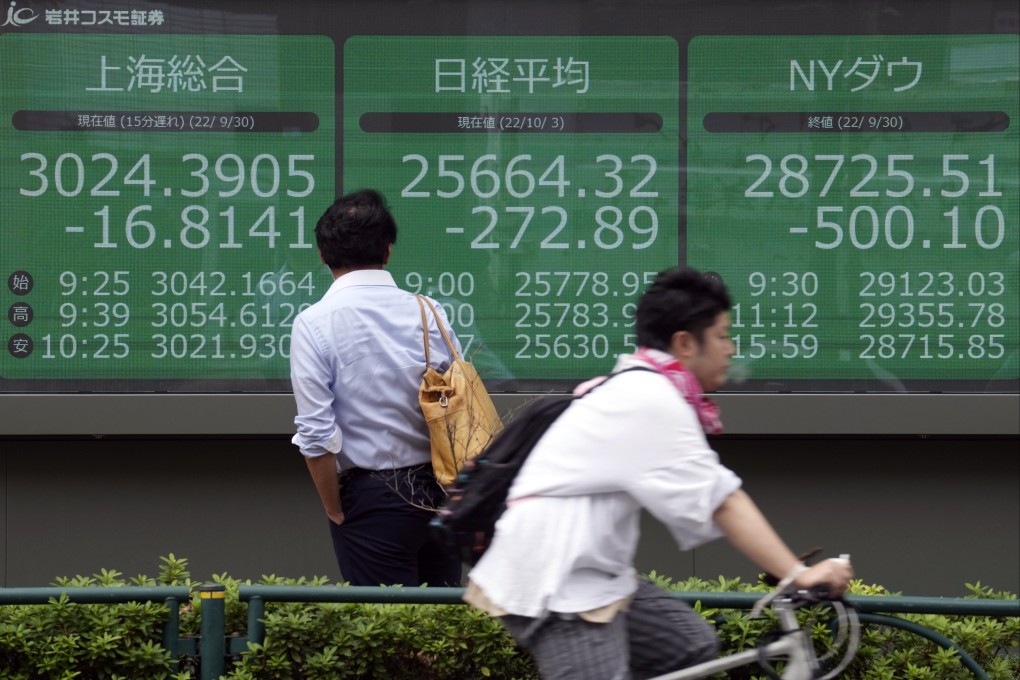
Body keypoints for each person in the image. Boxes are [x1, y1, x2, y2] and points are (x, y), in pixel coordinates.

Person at [464, 267, 853, 679]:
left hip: (590, 571)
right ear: (685, 343)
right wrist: (798, 574)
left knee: (688, 644)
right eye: (722, 335)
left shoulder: (641, 384)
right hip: (560, 582)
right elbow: (723, 502)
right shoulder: (649, 399)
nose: (731, 348)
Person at [289, 189, 462, 587]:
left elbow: (316, 434)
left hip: (371, 498)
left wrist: (335, 509)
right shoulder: (430, 309)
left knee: (385, 633)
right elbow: (456, 402)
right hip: (441, 490)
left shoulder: (314, 323)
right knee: (445, 632)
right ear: (387, 250)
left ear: (322, 254)